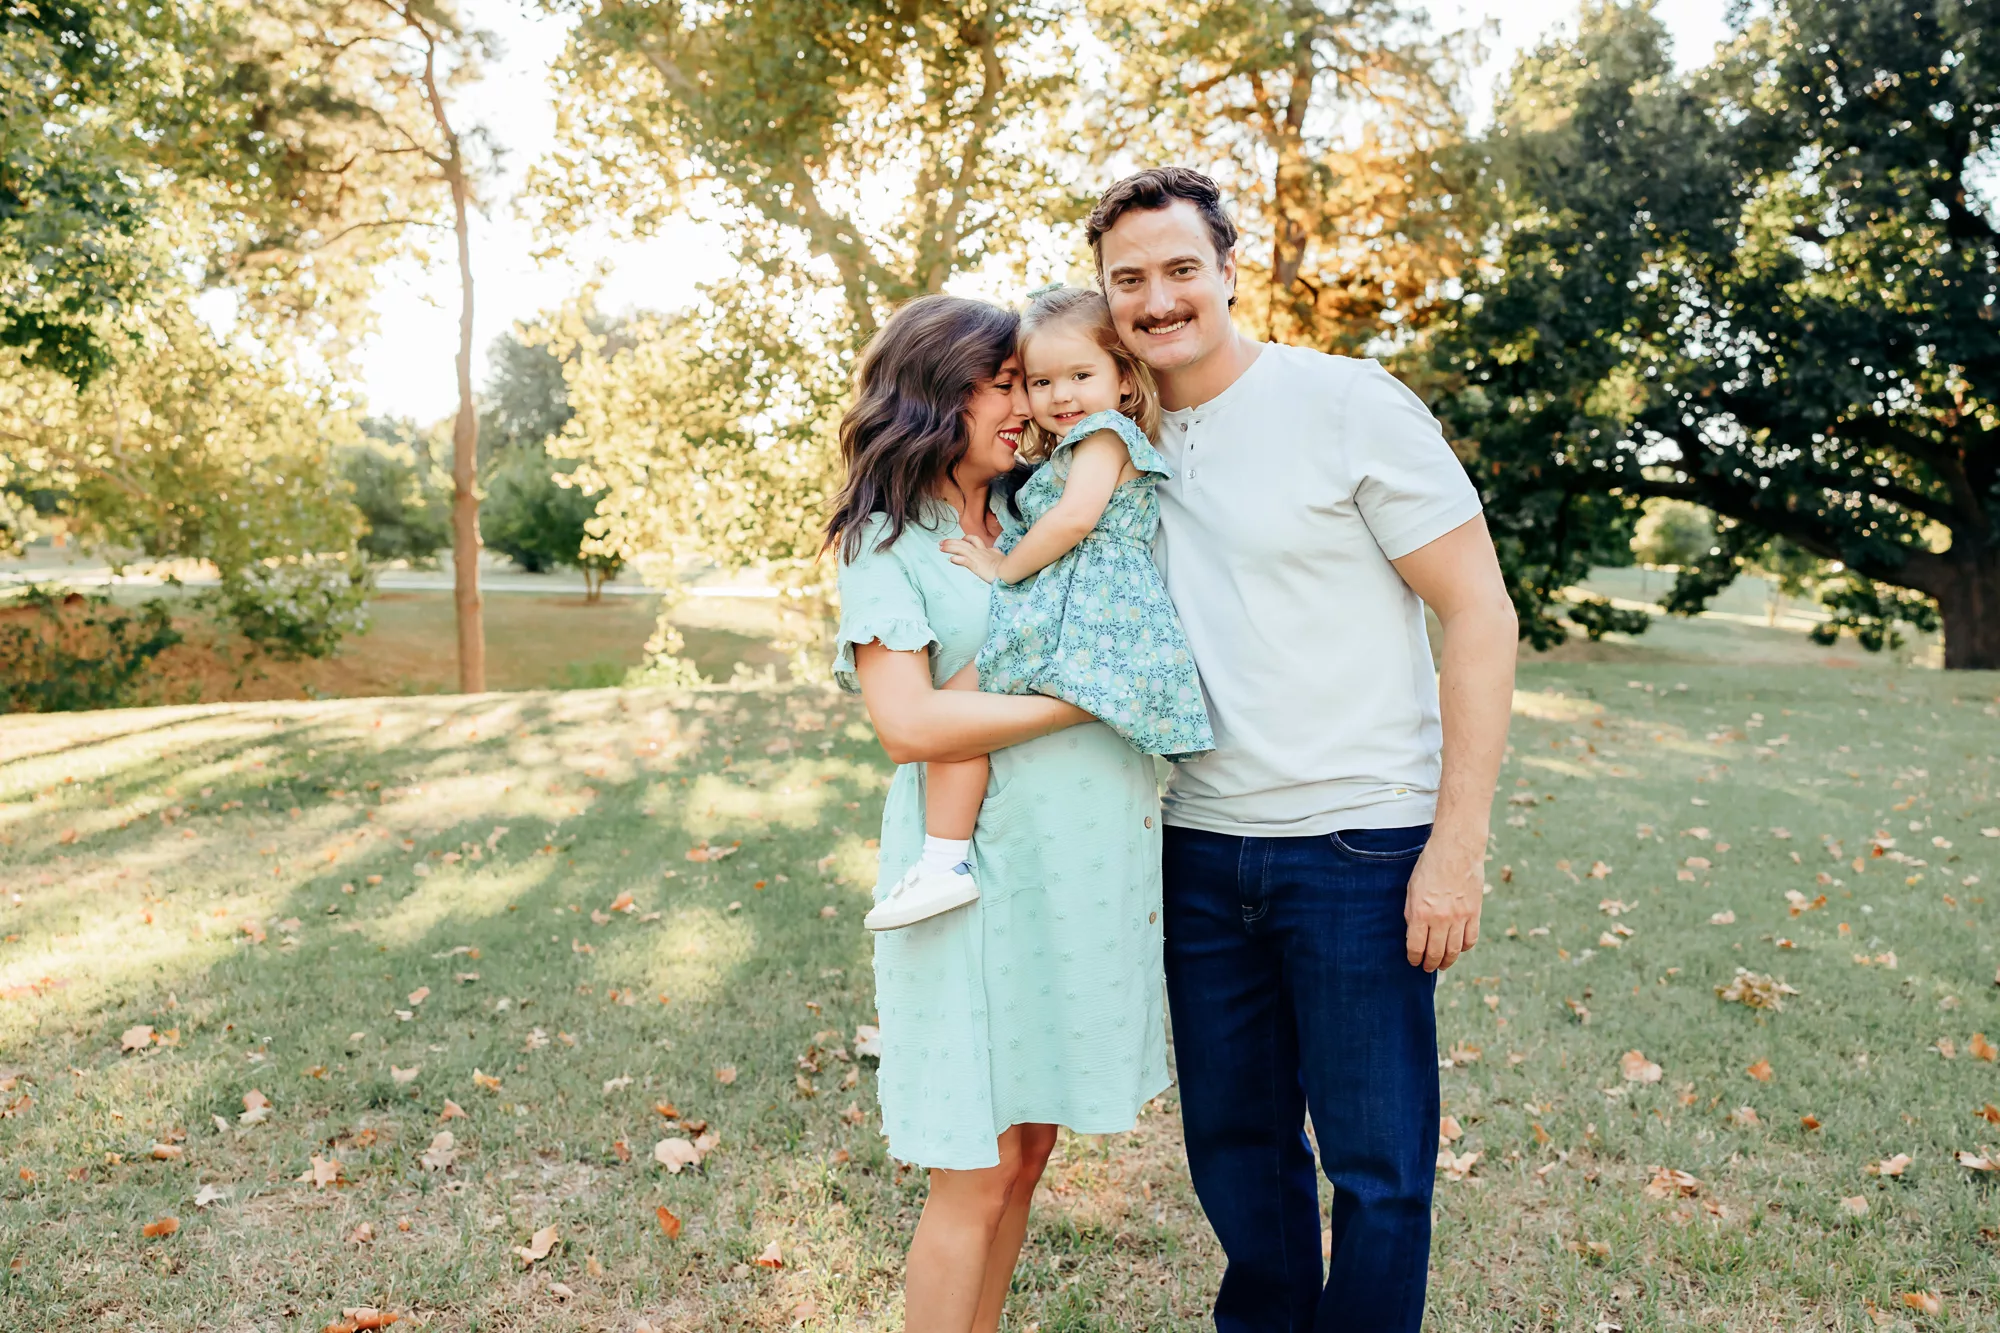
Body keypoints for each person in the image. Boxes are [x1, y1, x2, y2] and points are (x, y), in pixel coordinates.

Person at [1086, 166, 1519, 1330]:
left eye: (1181, 268)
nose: (1158, 297)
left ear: (1230, 270)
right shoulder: (1111, 442)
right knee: (1236, 1150)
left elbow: (1478, 611)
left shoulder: (1347, 404)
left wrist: (1454, 845)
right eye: (1129, 280)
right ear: (1108, 297)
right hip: (1194, 846)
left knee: (1376, 1167)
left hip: (1358, 843)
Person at [823, 293, 1173, 1333]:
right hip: (970, 880)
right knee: (970, 1172)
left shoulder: (1029, 514)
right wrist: (1085, 693)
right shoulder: (891, 542)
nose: (1027, 405)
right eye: (1006, 383)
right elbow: (908, 725)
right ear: (938, 395)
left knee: (1026, 1156)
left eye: (1031, 381)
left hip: (1066, 877)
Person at [867, 283, 1214, 931]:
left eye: (1078, 375)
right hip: (1064, 619)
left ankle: (943, 860)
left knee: (969, 701)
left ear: (1124, 381)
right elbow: (911, 726)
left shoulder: (1103, 437)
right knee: (959, 713)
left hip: (1087, 614)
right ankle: (944, 861)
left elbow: (1074, 521)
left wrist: (1004, 567)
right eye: (1031, 381)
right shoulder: (902, 532)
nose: (1048, 399)